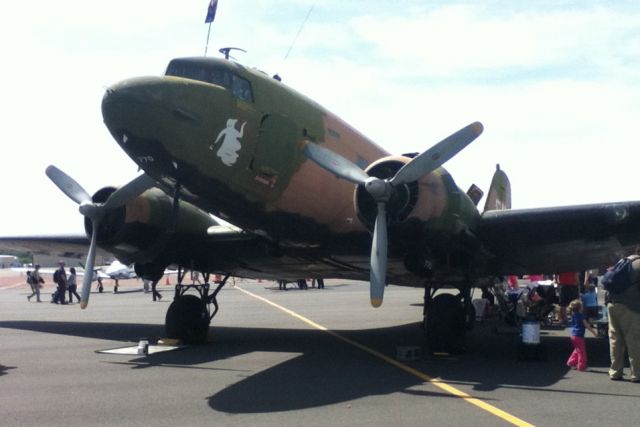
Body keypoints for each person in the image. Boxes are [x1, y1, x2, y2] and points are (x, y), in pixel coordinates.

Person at [607, 255, 640, 382]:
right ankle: (637, 373)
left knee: (615, 339)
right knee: (634, 340)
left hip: (612, 304)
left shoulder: (623, 261)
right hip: (630, 306)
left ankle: (615, 371)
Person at [566, 299, 597, 371]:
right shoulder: (581, 316)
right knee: (582, 352)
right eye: (582, 306)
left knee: (577, 350)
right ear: (580, 308)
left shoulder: (573, 314)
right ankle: (582, 366)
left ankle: (571, 362)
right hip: (579, 336)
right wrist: (593, 332)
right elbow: (586, 325)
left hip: (573, 335)